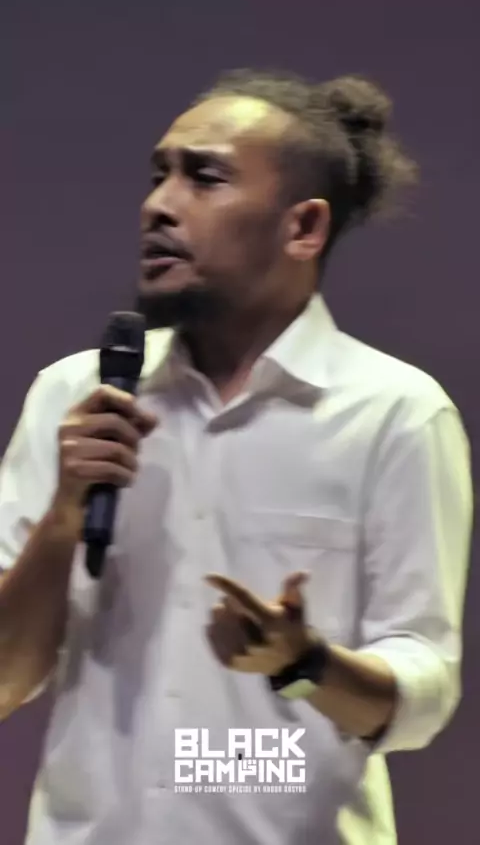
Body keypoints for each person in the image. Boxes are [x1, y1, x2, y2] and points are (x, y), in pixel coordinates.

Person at [0, 68, 472, 845]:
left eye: (205, 178)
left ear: (303, 227)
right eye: (158, 175)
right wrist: (62, 518)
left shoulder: (395, 413)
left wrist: (302, 663)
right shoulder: (74, 397)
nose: (159, 205)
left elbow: (421, 689)